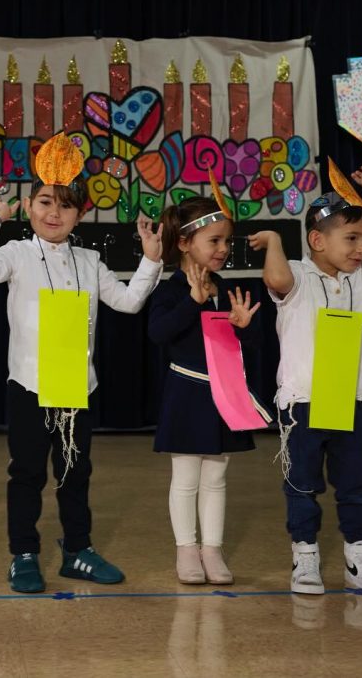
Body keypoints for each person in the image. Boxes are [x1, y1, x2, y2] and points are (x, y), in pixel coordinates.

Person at [0, 133, 163, 593]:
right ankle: (24, 554)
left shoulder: (90, 260)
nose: (53, 214)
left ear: (79, 213)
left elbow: (130, 302)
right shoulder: (16, 254)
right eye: (44, 203)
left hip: (76, 386)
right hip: (29, 386)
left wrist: (151, 260)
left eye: (65, 206)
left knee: (75, 472)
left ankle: (77, 551)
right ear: (30, 207)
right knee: (28, 473)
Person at [252, 158, 362, 596]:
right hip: (305, 400)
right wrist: (271, 242)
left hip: (353, 399)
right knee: (302, 481)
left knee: (357, 484)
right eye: (352, 238)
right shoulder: (300, 275)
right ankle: (305, 557)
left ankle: (359, 557)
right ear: (317, 240)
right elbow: (277, 278)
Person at [149, 188, 263, 585]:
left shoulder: (225, 287)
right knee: (185, 478)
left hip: (224, 397)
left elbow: (237, 348)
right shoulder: (171, 290)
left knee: (217, 476)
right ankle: (186, 550)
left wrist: (243, 330)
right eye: (214, 240)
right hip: (187, 395)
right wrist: (192, 301)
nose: (223, 248)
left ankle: (212, 549)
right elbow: (158, 333)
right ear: (184, 243)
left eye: (227, 241)